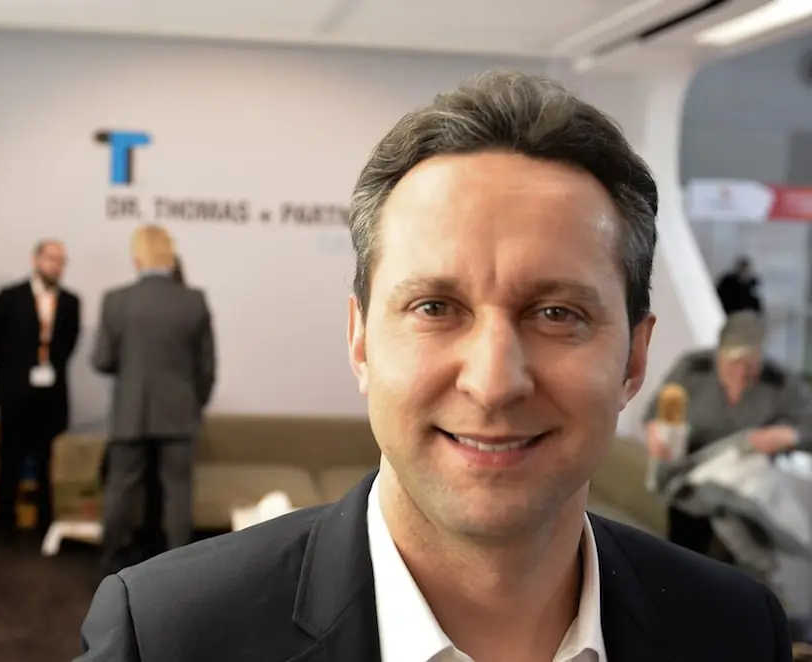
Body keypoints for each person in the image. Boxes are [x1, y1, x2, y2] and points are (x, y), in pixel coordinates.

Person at [76, 72, 791, 661]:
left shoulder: (736, 632)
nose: (493, 381)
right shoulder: (168, 636)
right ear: (360, 341)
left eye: (556, 314)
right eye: (435, 307)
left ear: (634, 358)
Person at [91, 228, 215, 578]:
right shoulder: (194, 301)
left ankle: (110, 567)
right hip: (179, 414)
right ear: (170, 257)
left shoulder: (115, 300)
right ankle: (177, 574)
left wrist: (132, 373)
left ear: (137, 259)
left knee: (120, 490)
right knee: (178, 493)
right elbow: (206, 369)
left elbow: (102, 360)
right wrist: (193, 404)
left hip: (129, 413)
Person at [644, 310, 812, 561]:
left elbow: (807, 426)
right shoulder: (694, 368)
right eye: (734, 363)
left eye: (750, 365)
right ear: (719, 354)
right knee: (684, 553)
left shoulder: (779, 383)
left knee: (736, 558)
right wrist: (657, 435)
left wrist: (788, 435)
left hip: (742, 489)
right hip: (689, 482)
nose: (742, 373)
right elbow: (655, 412)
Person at [0, 239, 81, 536]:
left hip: (50, 395)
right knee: (9, 458)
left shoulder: (70, 302)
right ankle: (5, 522)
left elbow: (69, 344)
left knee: (46, 461)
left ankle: (44, 523)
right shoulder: (10, 297)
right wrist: (11, 369)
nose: (56, 266)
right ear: (36, 260)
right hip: (15, 393)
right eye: (50, 259)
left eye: (61, 260)